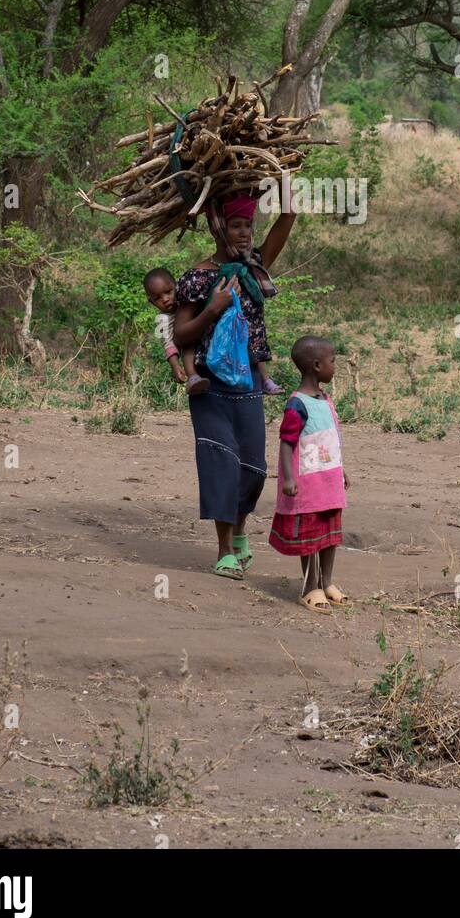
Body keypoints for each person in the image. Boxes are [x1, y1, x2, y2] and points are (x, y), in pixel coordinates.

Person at [172, 190, 296, 579]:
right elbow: (181, 334)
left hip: (248, 387)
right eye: (236, 226)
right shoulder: (197, 277)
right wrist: (212, 308)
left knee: (254, 468)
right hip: (209, 387)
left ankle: (240, 529)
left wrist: (283, 174)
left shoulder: (256, 268)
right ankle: (224, 548)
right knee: (219, 463)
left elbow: (289, 215)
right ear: (217, 228)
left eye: (248, 226)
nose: (245, 234)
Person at [269, 335, 350, 612]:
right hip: (308, 483)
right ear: (316, 365)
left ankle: (326, 582)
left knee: (330, 534)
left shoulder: (324, 400)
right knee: (310, 536)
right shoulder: (296, 405)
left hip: (329, 481)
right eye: (332, 361)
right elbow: (286, 442)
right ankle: (309, 587)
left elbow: (330, 440)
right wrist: (289, 479)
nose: (334, 366)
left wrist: (342, 471)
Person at [144, 266, 282, 398]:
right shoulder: (163, 319)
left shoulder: (188, 301)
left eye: (168, 292)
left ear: (178, 287)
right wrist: (175, 365)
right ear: (151, 302)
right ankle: (193, 376)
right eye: (158, 298)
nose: (165, 299)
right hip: (190, 344)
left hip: (208, 336)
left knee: (248, 342)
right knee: (187, 344)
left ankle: (265, 380)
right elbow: (168, 343)